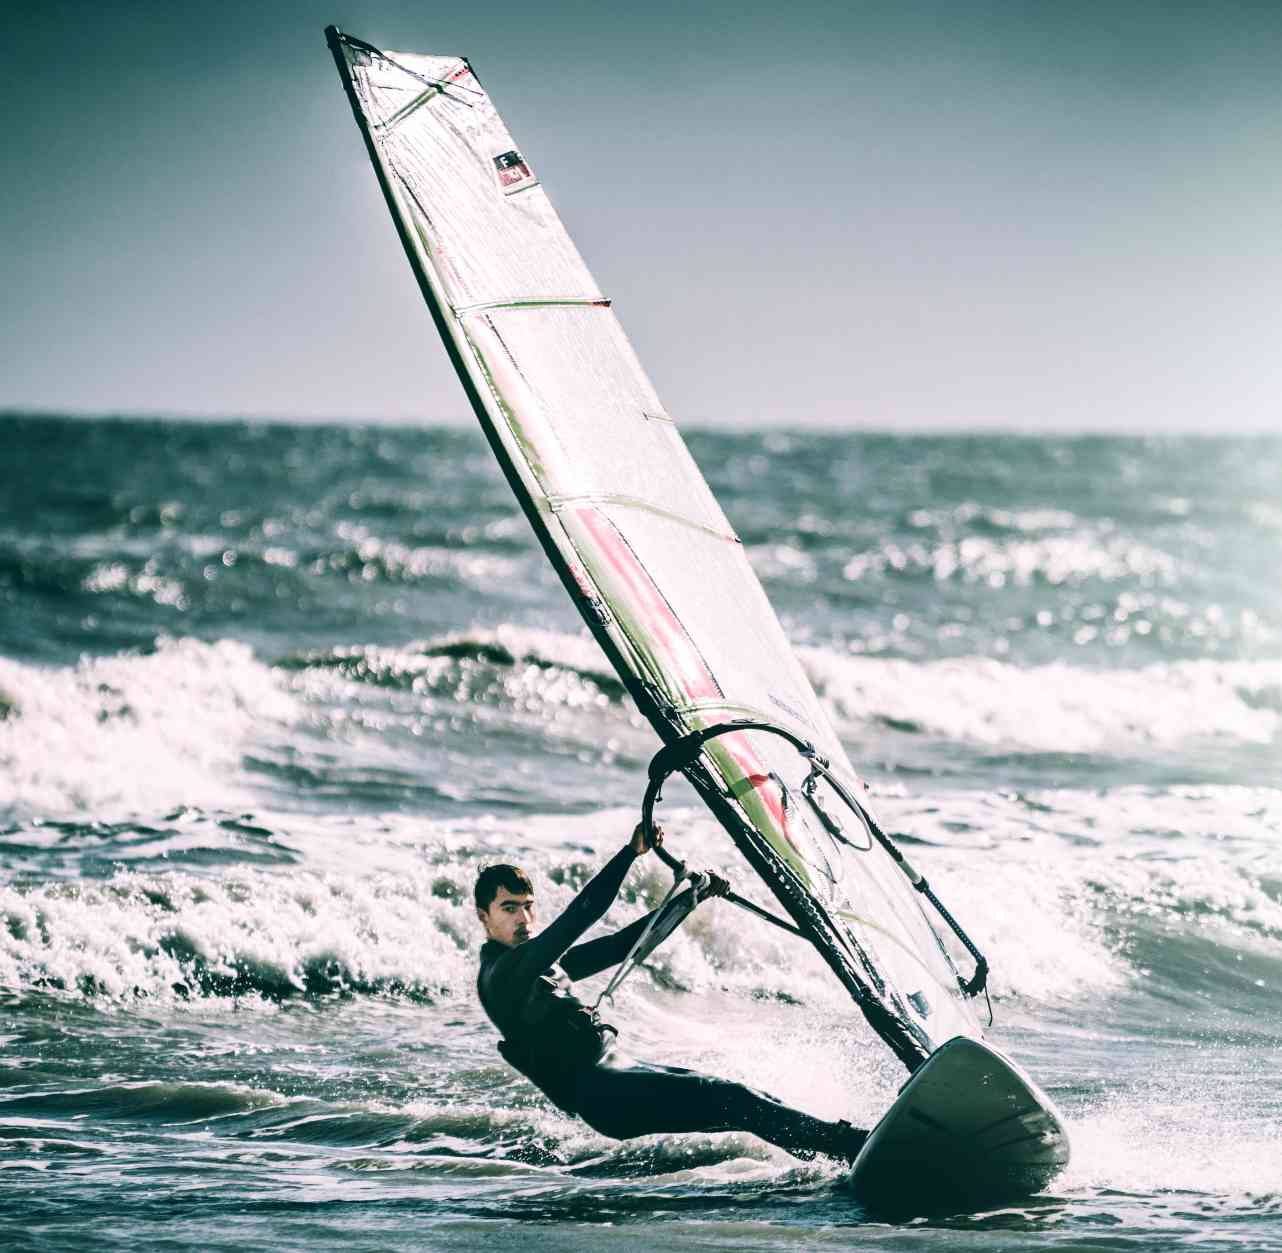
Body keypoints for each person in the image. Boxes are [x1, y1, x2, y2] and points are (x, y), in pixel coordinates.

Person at [474, 821, 868, 1163]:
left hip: (621, 1072)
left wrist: (689, 899)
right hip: (606, 1093)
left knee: (745, 1098)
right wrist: (629, 854)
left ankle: (830, 1153)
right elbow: (582, 914)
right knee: (734, 1099)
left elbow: (621, 946)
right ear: (484, 916)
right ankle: (850, 1146)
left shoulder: (533, 964)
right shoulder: (505, 973)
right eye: (509, 908)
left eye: (528, 906)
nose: (524, 919)